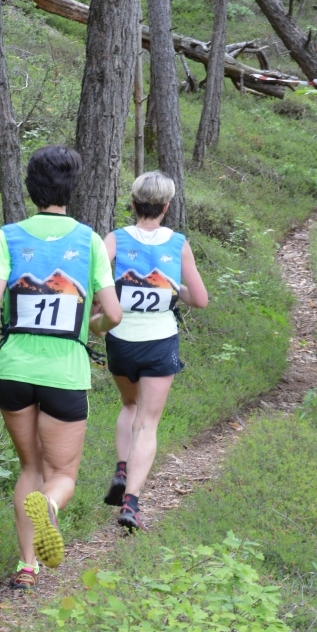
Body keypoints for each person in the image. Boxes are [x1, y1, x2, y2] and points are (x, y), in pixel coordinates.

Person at [0, 146, 122, 589]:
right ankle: (50, 507)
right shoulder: (89, 240)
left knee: (30, 469)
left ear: (30, 186)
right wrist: (94, 327)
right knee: (61, 477)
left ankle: (27, 565)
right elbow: (113, 313)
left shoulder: (10, 235)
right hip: (64, 372)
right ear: (71, 189)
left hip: (13, 369)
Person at [101, 171, 208, 531]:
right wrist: (174, 286)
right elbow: (200, 299)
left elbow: (93, 283)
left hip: (120, 337)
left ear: (132, 204)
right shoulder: (179, 244)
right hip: (161, 340)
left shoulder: (113, 240)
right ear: (166, 206)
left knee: (129, 405)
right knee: (148, 424)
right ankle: (130, 503)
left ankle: (121, 468)